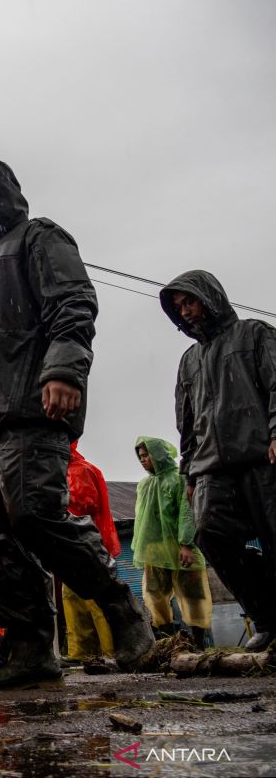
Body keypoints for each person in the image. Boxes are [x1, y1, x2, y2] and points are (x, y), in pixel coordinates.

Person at [0, 157, 152, 691]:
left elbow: (73, 305)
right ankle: (31, 648)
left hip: (33, 411)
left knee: (34, 515)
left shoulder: (39, 238)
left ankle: (119, 606)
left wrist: (63, 370)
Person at [160, 269, 276, 651]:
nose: (186, 311)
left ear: (209, 297)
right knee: (210, 534)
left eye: (190, 301)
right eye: (179, 307)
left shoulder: (255, 334)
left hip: (263, 458)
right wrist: (188, 473)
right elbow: (187, 423)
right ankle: (268, 618)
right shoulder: (189, 360)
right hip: (211, 468)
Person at [132, 437, 212, 650]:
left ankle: (198, 645)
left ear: (159, 454)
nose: (143, 460)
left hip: (180, 548)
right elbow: (141, 520)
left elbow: (187, 512)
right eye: (140, 457)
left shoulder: (178, 480)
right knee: (154, 595)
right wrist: (141, 548)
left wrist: (186, 543)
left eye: (146, 455)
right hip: (154, 550)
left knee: (192, 595)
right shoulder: (144, 484)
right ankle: (168, 644)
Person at [61, 443, 121, 670]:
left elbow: (87, 505)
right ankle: (81, 651)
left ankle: (110, 650)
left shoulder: (83, 470)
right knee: (72, 598)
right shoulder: (58, 471)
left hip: (88, 542)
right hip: (69, 544)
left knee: (96, 600)